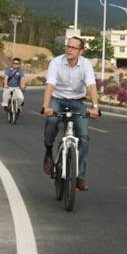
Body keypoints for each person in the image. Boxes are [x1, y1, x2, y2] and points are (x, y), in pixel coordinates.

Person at [42, 36, 100, 191]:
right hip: (58, 99)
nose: (69, 50)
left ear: (81, 51)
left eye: (73, 48)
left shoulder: (86, 64)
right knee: (52, 121)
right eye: (68, 46)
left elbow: (91, 85)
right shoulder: (56, 62)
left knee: (84, 135)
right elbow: (50, 84)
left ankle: (79, 177)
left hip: (77, 102)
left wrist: (95, 107)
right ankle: (48, 150)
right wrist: (46, 106)